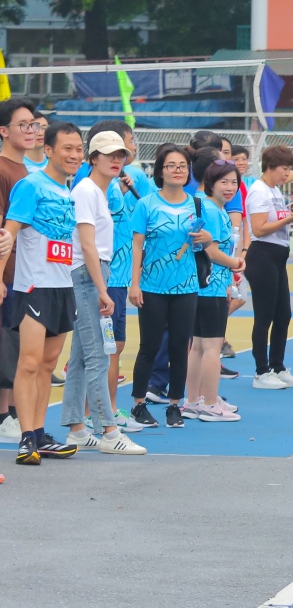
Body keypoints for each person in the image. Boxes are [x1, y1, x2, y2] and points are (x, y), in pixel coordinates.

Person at [1, 121, 84, 463]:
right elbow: (8, 235)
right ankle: (25, 437)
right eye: (67, 148)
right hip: (32, 288)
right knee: (30, 362)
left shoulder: (68, 190)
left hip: (63, 287)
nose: (74, 155)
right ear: (48, 150)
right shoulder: (30, 186)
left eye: (79, 149)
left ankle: (39, 433)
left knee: (49, 364)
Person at [59, 131, 147, 453]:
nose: (116, 160)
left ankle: (77, 429)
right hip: (88, 275)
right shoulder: (87, 191)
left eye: (120, 155)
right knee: (98, 356)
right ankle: (108, 431)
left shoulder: (101, 191)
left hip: (94, 274)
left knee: (83, 357)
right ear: (92, 158)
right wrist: (102, 288)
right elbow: (86, 244)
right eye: (108, 154)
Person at [125, 144, 210, 429]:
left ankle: (175, 405)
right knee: (148, 346)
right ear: (161, 171)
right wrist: (134, 284)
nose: (177, 170)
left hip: (186, 287)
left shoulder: (197, 203)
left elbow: (206, 242)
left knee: (179, 347)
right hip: (151, 286)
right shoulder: (146, 204)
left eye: (183, 166)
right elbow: (137, 245)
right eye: (171, 166)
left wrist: (206, 238)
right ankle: (138, 404)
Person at [245, 145, 293, 389]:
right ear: (270, 168)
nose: (287, 174)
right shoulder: (259, 191)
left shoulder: (273, 189)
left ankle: (277, 365)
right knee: (264, 316)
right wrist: (292, 217)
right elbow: (259, 228)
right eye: (284, 169)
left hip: (276, 256)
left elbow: (278, 217)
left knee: (283, 314)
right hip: (262, 255)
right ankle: (261, 371)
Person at [182, 158, 245, 422]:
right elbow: (212, 251)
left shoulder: (211, 208)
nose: (230, 187)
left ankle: (194, 400)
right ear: (210, 183)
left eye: (234, 182)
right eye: (224, 182)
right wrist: (236, 264)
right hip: (211, 286)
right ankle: (209, 403)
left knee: (198, 346)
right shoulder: (212, 210)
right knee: (210, 346)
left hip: (205, 286)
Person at [0, 100, 39, 442]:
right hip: (8, 275)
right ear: (4, 131)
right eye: (23, 125)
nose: (31, 131)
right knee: (9, 346)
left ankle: (11, 414)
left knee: (15, 344)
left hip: (24, 274)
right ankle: (7, 416)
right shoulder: (2, 170)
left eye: (33, 125)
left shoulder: (26, 172)